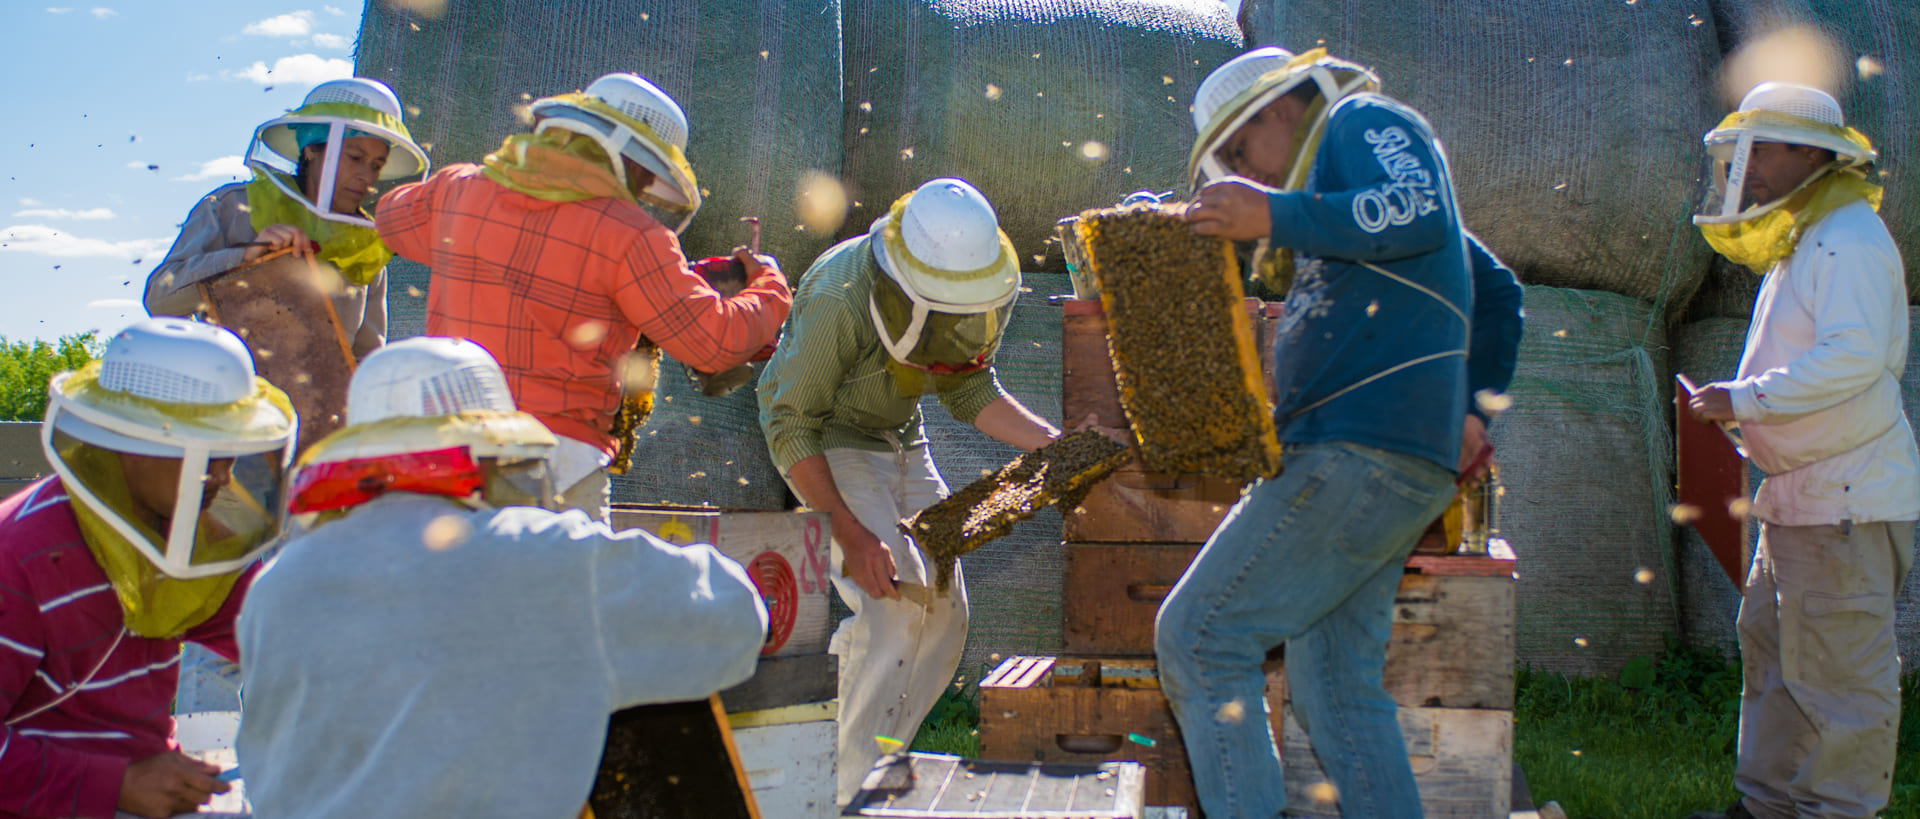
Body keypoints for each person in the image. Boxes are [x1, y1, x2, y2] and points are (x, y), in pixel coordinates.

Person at [1153, 46, 1525, 817]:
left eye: (1239, 151)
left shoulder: (1363, 119)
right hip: (1381, 456)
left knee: (1200, 636)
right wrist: (1469, 412)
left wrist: (1276, 214)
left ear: (1278, 110)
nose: (1243, 174)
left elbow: (1417, 207)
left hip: (1357, 446)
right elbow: (1493, 286)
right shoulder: (1327, 190)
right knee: (1335, 692)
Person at [234, 336, 768, 818]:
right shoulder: (542, 553)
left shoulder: (280, 580)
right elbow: (735, 619)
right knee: (647, 667)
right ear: (488, 452)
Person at [757, 177, 1063, 804]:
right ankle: (831, 793)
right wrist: (850, 531)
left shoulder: (961, 293)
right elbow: (788, 420)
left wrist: (1054, 445)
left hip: (902, 440)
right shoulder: (841, 292)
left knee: (945, 617)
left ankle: (871, 767)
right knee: (894, 614)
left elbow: (968, 389)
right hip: (827, 440)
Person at [375, 72, 791, 521]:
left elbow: (391, 220)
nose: (644, 184)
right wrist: (770, 284)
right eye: (645, 171)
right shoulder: (632, 236)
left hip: (444, 452)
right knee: (561, 591)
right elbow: (712, 342)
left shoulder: (457, 188)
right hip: (556, 464)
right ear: (626, 158)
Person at [1683, 82, 1918, 819]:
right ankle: (1767, 808)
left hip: (1843, 499)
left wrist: (1744, 400)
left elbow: (1853, 358)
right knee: (1778, 660)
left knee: (1840, 678)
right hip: (1804, 495)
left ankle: (1837, 810)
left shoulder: (1848, 238)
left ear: (1812, 153)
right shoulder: (1812, 233)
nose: (1746, 167)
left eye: (1763, 149)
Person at [0, 318, 296, 819]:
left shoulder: (183, 531)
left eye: (233, 453)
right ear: (131, 446)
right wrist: (117, 785)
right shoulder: (20, 555)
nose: (224, 477)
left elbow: (274, 634)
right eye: (209, 453)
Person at [145, 77, 429, 360]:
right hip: (224, 393)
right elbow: (159, 300)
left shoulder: (364, 245)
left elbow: (366, 358)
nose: (365, 176)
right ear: (311, 149)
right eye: (355, 157)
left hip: (316, 403)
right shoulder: (232, 206)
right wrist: (244, 258)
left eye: (376, 166)